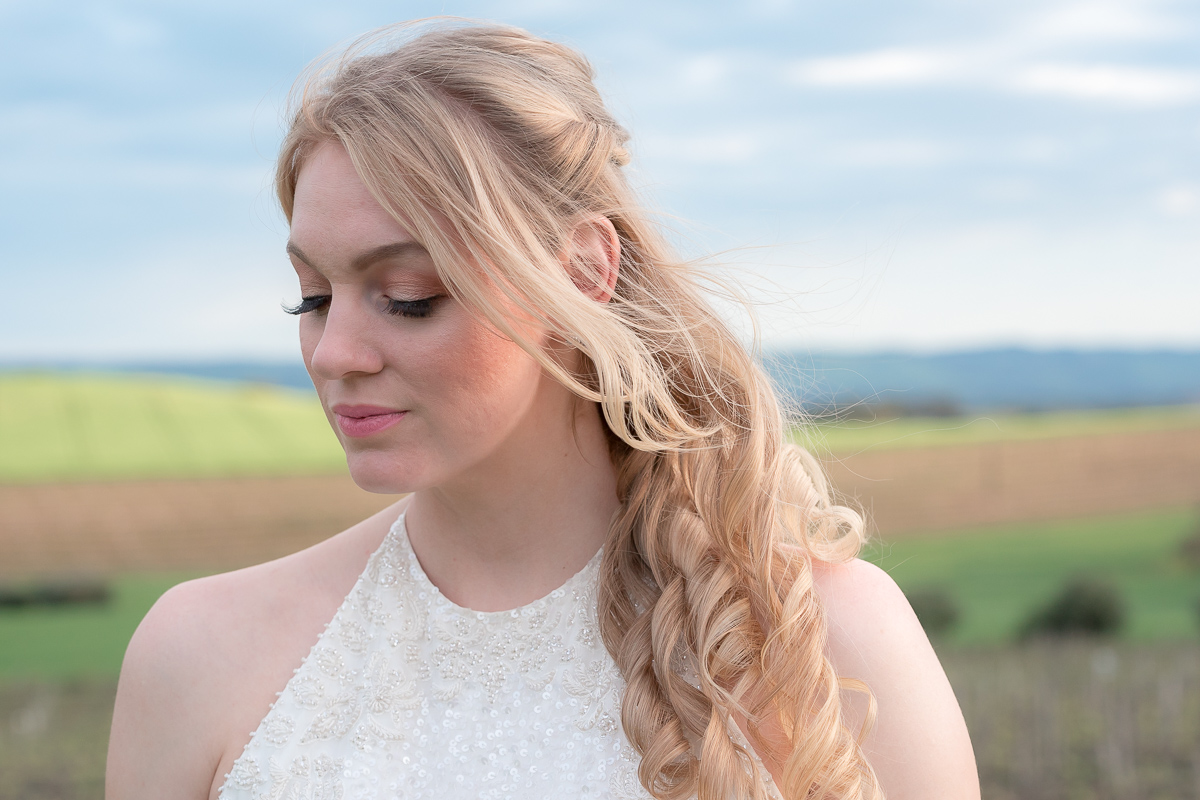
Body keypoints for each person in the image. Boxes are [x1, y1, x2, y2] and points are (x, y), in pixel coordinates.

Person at [106, 19, 979, 800]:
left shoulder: (829, 647)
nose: (334, 352)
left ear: (583, 273)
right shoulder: (196, 657)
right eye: (313, 298)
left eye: (407, 295)